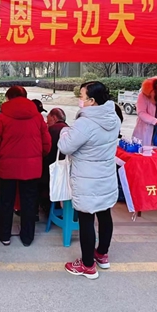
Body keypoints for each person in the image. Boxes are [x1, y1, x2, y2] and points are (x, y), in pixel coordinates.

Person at [58, 81, 121, 280]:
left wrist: (64, 131)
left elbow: (65, 146)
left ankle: (87, 265)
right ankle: (102, 254)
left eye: (82, 96)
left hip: (87, 178)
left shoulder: (85, 123)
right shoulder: (114, 117)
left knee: (86, 219)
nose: (80, 100)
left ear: (92, 101)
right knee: (104, 214)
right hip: (106, 175)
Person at [0, 85, 51, 247]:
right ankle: (27, 237)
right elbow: (47, 143)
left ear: (9, 97)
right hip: (31, 167)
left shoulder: (2, 117)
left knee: (6, 201)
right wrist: (38, 157)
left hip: (7, 167)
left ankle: (4, 235)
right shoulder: (37, 117)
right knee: (29, 202)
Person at [40, 108, 68, 216]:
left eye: (48, 119)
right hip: (65, 169)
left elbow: (45, 149)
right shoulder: (69, 129)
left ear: (55, 118)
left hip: (51, 167)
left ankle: (46, 208)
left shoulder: (52, 130)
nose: (47, 122)